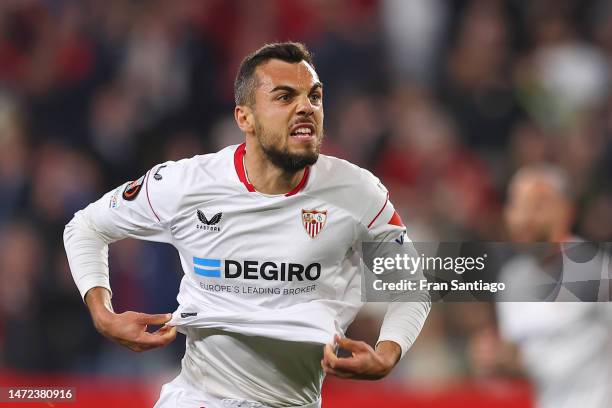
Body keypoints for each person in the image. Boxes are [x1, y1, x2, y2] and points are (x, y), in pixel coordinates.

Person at [64, 42, 430, 408]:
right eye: (285, 97)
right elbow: (85, 226)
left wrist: (387, 353)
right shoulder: (186, 183)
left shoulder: (356, 193)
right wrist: (102, 312)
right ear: (245, 118)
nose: (306, 107)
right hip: (198, 398)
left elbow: (413, 286)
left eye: (314, 96)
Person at [470, 165, 612, 408]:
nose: (526, 218)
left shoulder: (597, 272)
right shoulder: (511, 280)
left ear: (567, 211)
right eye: (517, 206)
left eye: (537, 206)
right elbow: (524, 365)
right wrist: (495, 361)